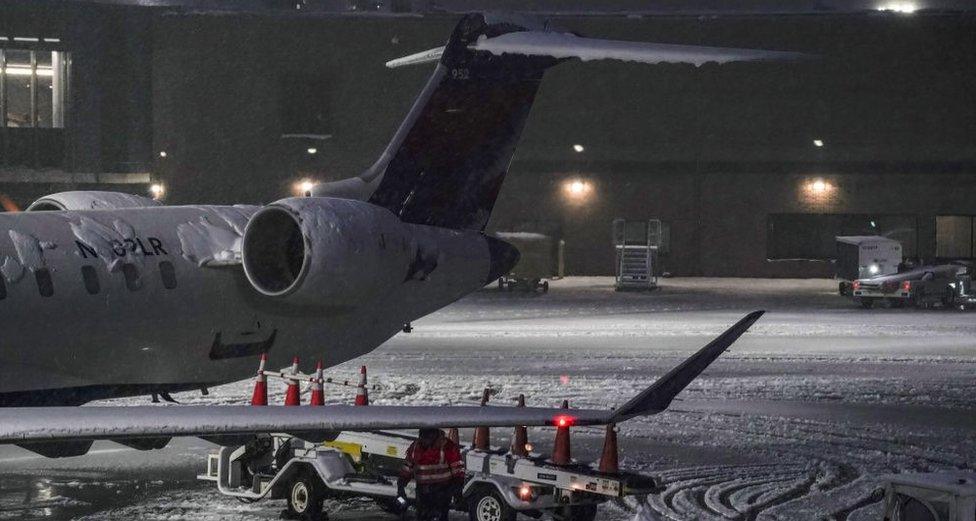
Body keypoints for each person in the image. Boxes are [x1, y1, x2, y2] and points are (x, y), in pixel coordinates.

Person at [398, 427, 465, 521]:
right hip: (422, 493)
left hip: (441, 493)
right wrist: (401, 485)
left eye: (426, 438)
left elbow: (457, 468)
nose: (424, 441)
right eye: (422, 437)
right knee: (422, 516)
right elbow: (407, 467)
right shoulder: (415, 447)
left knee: (439, 517)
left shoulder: (446, 446)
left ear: (434, 436)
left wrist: (457, 489)